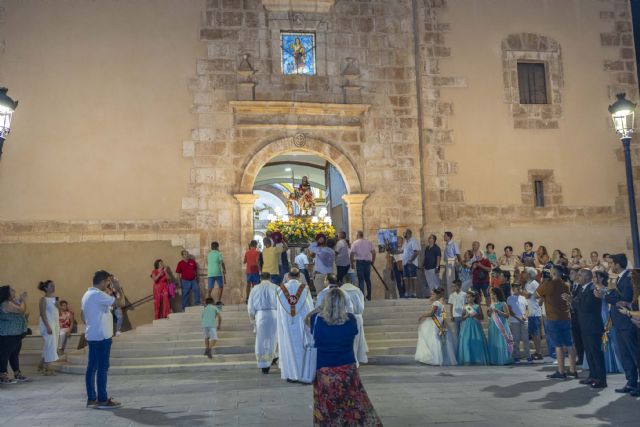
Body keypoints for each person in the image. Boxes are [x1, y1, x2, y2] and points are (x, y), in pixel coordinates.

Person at [309, 288, 382, 426]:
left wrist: (318, 309)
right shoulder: (351, 320)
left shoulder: (316, 320)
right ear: (344, 303)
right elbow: (353, 333)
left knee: (326, 405)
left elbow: (307, 321)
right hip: (347, 369)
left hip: (324, 370)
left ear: (325, 303)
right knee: (352, 403)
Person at [598, 254, 640, 396]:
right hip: (619, 322)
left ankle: (637, 383)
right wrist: (610, 295)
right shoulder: (620, 278)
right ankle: (631, 382)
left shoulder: (628, 278)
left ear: (617, 264)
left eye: (611, 264)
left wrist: (605, 295)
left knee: (635, 354)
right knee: (625, 355)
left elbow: (624, 299)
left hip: (627, 322)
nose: (610, 266)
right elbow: (616, 298)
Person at [82, 270, 120, 409]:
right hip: (102, 336)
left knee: (92, 368)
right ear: (103, 281)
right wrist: (117, 286)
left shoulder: (87, 294)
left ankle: (92, 398)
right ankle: (102, 400)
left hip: (92, 335)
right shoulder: (99, 295)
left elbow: (82, 314)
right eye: (108, 282)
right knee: (102, 368)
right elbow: (119, 302)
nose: (108, 284)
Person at [537, 264, 578, 380]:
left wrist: (544, 293)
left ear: (553, 273)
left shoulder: (547, 285)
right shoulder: (566, 285)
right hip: (565, 316)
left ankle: (561, 371)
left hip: (553, 318)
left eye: (550, 271)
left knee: (558, 345)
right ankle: (573, 370)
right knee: (570, 344)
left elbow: (535, 295)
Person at [570, 269, 607, 389]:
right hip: (585, 325)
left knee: (596, 353)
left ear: (587, 277)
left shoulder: (592, 289)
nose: (578, 277)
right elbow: (578, 302)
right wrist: (571, 301)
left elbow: (586, 307)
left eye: (580, 275)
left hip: (593, 326)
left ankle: (601, 380)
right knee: (589, 353)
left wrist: (572, 302)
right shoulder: (582, 288)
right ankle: (593, 375)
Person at [276, 268, 313, 382]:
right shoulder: (304, 289)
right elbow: (309, 307)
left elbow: (279, 310)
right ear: (299, 276)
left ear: (288, 276)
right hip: (302, 322)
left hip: (286, 323)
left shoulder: (280, 289)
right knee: (303, 347)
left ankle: (291, 374)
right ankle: (304, 374)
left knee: (288, 347)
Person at [415, 288, 457, 366]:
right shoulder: (440, 303)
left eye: (433, 294)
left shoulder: (436, 303)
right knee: (439, 341)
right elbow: (443, 313)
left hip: (435, 322)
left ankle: (435, 358)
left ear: (438, 295)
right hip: (440, 321)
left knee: (434, 340)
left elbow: (432, 314)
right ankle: (441, 358)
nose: (431, 296)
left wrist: (422, 315)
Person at [247, 272, 279, 374]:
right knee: (273, 339)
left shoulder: (255, 289)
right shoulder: (276, 288)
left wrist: (252, 319)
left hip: (260, 316)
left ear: (260, 278)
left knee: (261, 341)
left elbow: (250, 306)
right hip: (274, 315)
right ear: (270, 278)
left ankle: (264, 365)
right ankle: (273, 357)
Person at [593, 271, 623, 374]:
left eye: (595, 276)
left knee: (607, 338)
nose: (593, 278)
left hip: (604, 314)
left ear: (601, 278)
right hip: (595, 315)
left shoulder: (605, 290)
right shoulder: (593, 289)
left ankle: (611, 364)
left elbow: (608, 303)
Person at [0, 285, 29, 384]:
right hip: (8, 334)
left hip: (15, 334)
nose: (14, 291)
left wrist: (20, 299)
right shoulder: (6, 304)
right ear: (6, 293)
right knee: (5, 355)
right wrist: (24, 301)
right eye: (12, 290)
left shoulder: (10, 302)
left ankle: (17, 373)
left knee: (14, 354)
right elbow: (22, 310)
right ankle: (3, 376)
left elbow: (17, 305)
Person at [340, 275, 369, 365]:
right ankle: (356, 359)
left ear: (343, 281)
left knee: (347, 341)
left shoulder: (340, 290)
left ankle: (349, 360)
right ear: (352, 281)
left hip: (344, 317)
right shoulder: (357, 290)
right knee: (357, 340)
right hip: (357, 317)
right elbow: (361, 307)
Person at [457, 290, 489, 365]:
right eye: (466, 297)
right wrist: (466, 316)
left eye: (469, 297)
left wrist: (475, 315)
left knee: (476, 342)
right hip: (466, 326)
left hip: (475, 325)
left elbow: (482, 317)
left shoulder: (477, 306)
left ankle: (477, 358)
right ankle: (467, 358)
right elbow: (462, 318)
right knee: (466, 341)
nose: (467, 299)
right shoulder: (465, 307)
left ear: (473, 298)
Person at [38, 280, 59, 375]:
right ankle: (48, 368)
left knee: (50, 344)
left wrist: (57, 305)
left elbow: (59, 312)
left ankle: (41, 365)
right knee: (51, 345)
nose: (53, 287)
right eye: (51, 286)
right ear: (45, 288)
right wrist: (48, 326)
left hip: (55, 323)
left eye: (54, 285)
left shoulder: (55, 299)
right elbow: (42, 314)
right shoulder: (43, 299)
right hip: (47, 323)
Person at [487, 287, 513, 365]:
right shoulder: (491, 304)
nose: (492, 295)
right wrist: (489, 312)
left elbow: (507, 315)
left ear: (497, 294)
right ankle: (494, 359)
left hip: (501, 325)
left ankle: (503, 359)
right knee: (494, 341)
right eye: (491, 294)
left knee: (501, 341)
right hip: (493, 325)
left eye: (493, 294)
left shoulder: (503, 303)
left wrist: (498, 311)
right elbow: (489, 315)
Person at [507, 284, 532, 364]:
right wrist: (518, 318)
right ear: (513, 289)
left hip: (524, 321)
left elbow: (527, 309)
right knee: (516, 339)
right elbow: (510, 311)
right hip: (514, 321)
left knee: (525, 339)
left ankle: (528, 356)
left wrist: (525, 316)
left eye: (520, 288)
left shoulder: (523, 298)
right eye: (517, 288)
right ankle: (516, 356)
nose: (519, 289)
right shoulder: (509, 298)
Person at [523, 267, 544, 360]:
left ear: (529, 274)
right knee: (533, 333)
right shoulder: (527, 283)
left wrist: (519, 292)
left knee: (536, 333)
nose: (523, 274)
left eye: (525, 272)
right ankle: (536, 351)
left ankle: (539, 352)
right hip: (530, 311)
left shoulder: (534, 283)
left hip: (534, 312)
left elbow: (529, 295)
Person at [350, 230, 376, 301]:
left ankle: (362, 297)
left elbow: (351, 253)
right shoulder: (368, 242)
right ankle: (369, 296)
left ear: (357, 235)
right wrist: (373, 261)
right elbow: (374, 253)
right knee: (367, 279)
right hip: (367, 263)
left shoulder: (355, 243)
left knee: (361, 280)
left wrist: (352, 263)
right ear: (362, 235)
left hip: (360, 263)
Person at [402, 229, 421, 298]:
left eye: (405, 233)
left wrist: (411, 260)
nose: (404, 234)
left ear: (409, 234)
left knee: (412, 278)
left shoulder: (413, 241)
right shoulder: (405, 242)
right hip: (405, 263)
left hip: (411, 263)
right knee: (406, 278)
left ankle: (414, 293)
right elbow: (403, 251)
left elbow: (417, 252)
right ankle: (407, 293)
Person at [442, 232, 462, 296]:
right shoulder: (447, 245)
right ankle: (450, 295)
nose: (444, 237)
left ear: (449, 237)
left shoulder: (453, 244)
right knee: (448, 279)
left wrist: (460, 262)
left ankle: (453, 295)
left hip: (452, 262)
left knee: (451, 279)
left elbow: (457, 254)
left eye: (445, 236)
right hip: (448, 262)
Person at [244, 240, 261, 304]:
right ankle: (254, 298)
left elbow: (244, 261)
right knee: (255, 285)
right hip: (255, 270)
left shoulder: (247, 252)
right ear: (256, 245)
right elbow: (257, 261)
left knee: (248, 285)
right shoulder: (257, 252)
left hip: (248, 271)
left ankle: (247, 298)